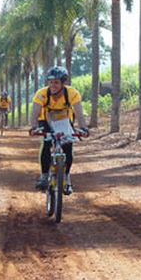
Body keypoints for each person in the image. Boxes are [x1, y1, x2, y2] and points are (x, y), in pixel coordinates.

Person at [29, 66, 89, 195]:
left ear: (63, 83)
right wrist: (34, 127)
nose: (53, 85)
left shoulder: (72, 93)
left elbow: (79, 112)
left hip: (65, 120)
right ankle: (44, 175)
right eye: (50, 82)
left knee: (68, 147)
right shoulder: (42, 94)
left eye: (56, 82)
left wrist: (83, 128)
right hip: (45, 120)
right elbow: (35, 112)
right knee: (46, 144)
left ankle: (66, 178)